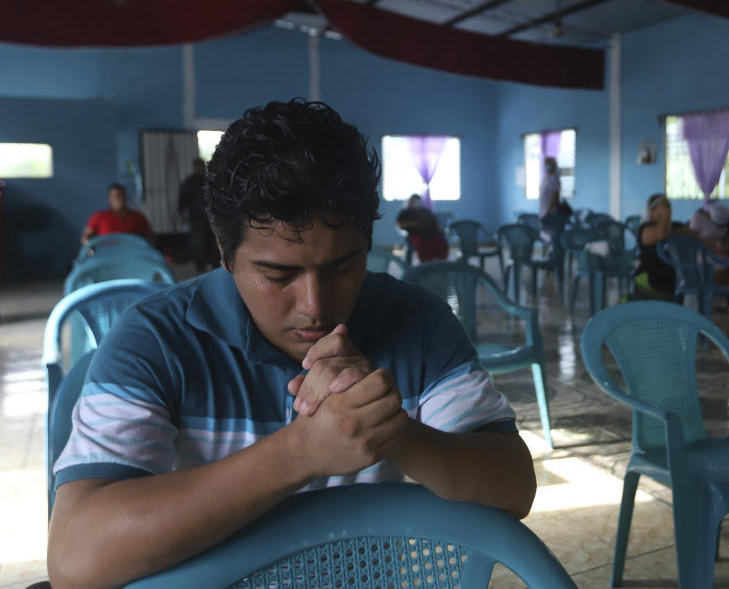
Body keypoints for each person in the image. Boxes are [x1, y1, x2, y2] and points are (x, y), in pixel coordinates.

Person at [47, 100, 536, 589]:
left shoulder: (417, 322)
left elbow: (513, 488)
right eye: (277, 273)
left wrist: (391, 431)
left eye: (343, 265)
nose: (315, 305)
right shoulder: (157, 338)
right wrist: (301, 451)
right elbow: (76, 558)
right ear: (225, 254)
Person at [632, 193, 697, 299]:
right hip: (647, 287)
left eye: (669, 206)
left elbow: (695, 234)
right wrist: (666, 217)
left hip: (670, 287)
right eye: (664, 206)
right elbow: (660, 234)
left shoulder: (673, 226)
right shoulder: (645, 229)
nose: (668, 210)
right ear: (651, 211)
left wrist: (677, 230)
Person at [178, 157, 219, 273]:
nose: (201, 169)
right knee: (198, 241)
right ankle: (200, 266)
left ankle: (215, 264)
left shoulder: (211, 179)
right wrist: (181, 213)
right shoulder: (190, 182)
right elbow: (182, 199)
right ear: (195, 168)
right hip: (196, 216)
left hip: (212, 215)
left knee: (213, 240)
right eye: (199, 166)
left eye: (202, 166)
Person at [80, 183, 155, 246]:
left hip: (133, 254)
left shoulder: (138, 217)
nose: (121, 199)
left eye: (123, 195)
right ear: (110, 198)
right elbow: (85, 238)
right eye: (117, 196)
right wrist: (92, 250)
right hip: (107, 255)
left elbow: (150, 237)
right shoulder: (99, 217)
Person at [395, 194, 450, 262]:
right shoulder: (405, 212)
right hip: (416, 235)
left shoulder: (425, 211)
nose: (416, 202)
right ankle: (426, 263)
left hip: (433, 233)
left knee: (440, 241)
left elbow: (435, 221)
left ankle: (440, 261)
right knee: (425, 244)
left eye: (418, 200)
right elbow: (400, 224)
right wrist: (415, 223)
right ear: (410, 201)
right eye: (414, 200)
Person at [538, 157, 569, 268]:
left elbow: (555, 197)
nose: (547, 166)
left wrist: (547, 212)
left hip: (551, 215)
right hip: (545, 213)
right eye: (545, 164)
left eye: (549, 164)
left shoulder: (554, 179)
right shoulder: (546, 177)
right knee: (547, 238)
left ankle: (556, 263)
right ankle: (550, 260)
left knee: (555, 240)